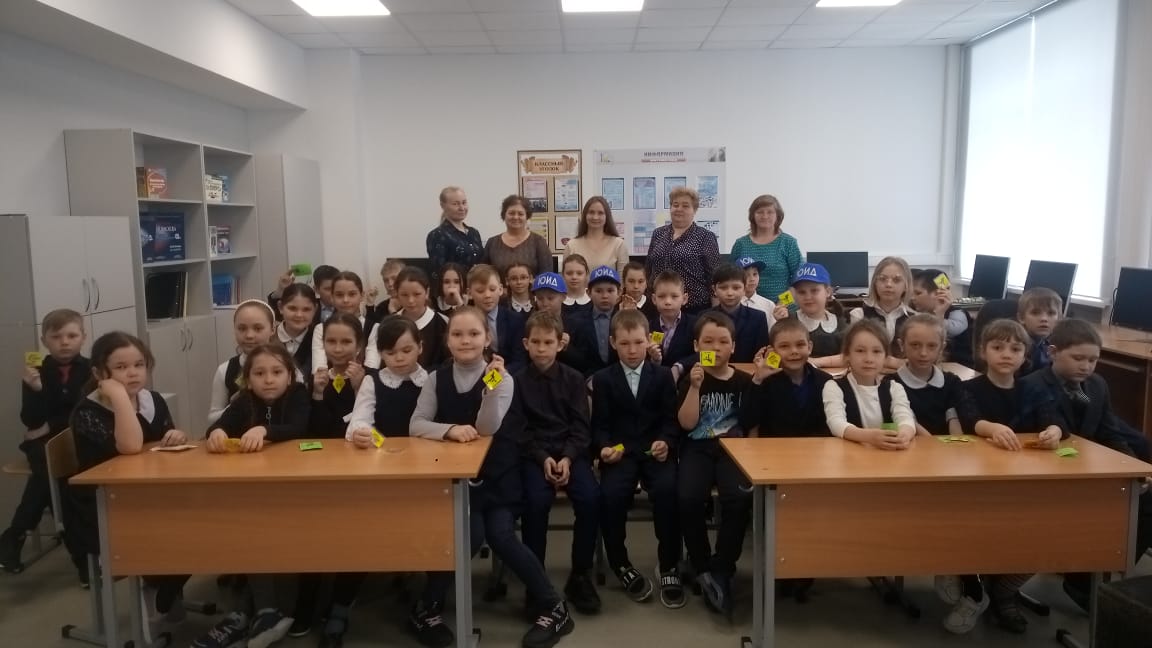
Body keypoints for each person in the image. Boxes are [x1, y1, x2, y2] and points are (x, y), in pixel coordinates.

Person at [410, 307, 575, 648]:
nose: (466, 340)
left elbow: (487, 427)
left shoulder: (502, 378)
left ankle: (553, 606)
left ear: (487, 338)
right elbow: (417, 424)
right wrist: (449, 429)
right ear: (447, 340)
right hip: (457, 481)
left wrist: (490, 389)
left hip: (498, 476)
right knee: (468, 537)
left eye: (474, 334)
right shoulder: (436, 378)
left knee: (501, 535)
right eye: (458, 334)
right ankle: (427, 606)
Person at [1018, 318, 1152, 612]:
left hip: (1091, 467)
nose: (1086, 366)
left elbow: (1109, 431)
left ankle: (1100, 576)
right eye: (1078, 358)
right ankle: (1082, 579)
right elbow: (1050, 430)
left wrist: (1132, 467)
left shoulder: (1097, 385)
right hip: (1052, 472)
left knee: (1145, 499)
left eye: (1093, 360)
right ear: (1053, 352)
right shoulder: (1032, 384)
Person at [317, 318, 428, 646]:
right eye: (390, 352)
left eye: (407, 350)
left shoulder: (431, 379)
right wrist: (369, 437)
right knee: (361, 535)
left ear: (420, 348)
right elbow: (359, 422)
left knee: (432, 533)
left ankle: (428, 603)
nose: (399, 358)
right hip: (381, 471)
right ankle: (340, 606)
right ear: (379, 353)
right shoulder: (372, 381)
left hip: (424, 474)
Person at [63, 333, 189, 616]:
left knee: (204, 518)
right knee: (181, 528)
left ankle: (165, 585)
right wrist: (119, 396)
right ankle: (161, 584)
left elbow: (161, 442)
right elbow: (130, 447)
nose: (133, 373)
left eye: (139, 365)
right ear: (99, 374)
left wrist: (176, 436)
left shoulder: (152, 400)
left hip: (148, 493)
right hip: (105, 506)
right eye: (120, 367)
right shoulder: (88, 411)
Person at [197, 343, 310, 648]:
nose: (268, 380)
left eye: (276, 372)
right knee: (253, 537)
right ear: (248, 380)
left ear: (290, 376)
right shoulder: (244, 400)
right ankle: (258, 611)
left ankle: (265, 611)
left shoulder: (298, 395)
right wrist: (217, 433)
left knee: (282, 543)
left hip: (294, 491)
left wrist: (263, 430)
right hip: (253, 492)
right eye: (259, 374)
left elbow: (298, 427)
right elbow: (218, 426)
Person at [957, 319, 1063, 634]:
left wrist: (1054, 431)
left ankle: (1005, 590)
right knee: (985, 532)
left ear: (1025, 355)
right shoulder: (969, 388)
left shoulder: (1034, 388)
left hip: (1028, 478)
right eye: (998, 347)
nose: (1006, 354)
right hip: (983, 479)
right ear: (983, 351)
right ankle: (981, 583)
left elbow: (1054, 420)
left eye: (1015, 349)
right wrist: (991, 428)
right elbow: (969, 420)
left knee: (1043, 534)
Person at [591, 310, 684, 609]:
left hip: (654, 451)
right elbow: (600, 425)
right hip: (621, 453)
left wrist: (666, 441)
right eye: (624, 343)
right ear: (612, 343)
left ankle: (668, 563)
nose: (632, 350)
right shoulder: (603, 379)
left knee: (669, 492)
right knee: (610, 496)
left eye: (638, 343)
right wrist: (604, 448)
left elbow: (671, 420)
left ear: (648, 341)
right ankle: (620, 563)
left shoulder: (663, 375)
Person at [516, 312, 602, 615]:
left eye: (548, 342)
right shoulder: (516, 381)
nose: (541, 348)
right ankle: (535, 580)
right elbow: (520, 430)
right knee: (535, 502)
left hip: (570, 453)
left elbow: (581, 427)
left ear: (560, 344)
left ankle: (580, 574)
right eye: (536, 342)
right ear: (526, 344)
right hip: (534, 455)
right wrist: (543, 458)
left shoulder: (574, 379)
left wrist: (566, 458)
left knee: (591, 499)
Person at [1, 309, 90, 575]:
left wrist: (50, 425)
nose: (64, 342)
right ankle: (82, 559)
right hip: (42, 444)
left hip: (77, 439)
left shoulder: (91, 369)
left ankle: (15, 534)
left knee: (53, 473)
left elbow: (84, 412)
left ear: (83, 337)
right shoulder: (37, 371)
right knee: (51, 469)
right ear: (44, 340)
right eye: (56, 336)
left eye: (71, 335)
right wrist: (37, 390)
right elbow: (30, 419)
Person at [676, 312, 754, 615]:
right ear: (697, 345)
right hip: (697, 447)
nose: (716, 347)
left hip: (732, 449)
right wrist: (695, 387)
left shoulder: (743, 381)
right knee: (688, 498)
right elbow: (686, 424)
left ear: (733, 346)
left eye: (723, 342)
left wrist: (759, 381)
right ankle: (700, 563)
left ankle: (723, 566)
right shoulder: (691, 378)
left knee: (738, 498)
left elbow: (750, 421)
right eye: (708, 341)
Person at [822, 320, 917, 449]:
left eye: (876, 351)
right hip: (849, 455)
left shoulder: (894, 387)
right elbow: (836, 423)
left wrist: (904, 434)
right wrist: (868, 437)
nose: (869, 359)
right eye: (860, 351)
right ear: (847, 355)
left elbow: (905, 418)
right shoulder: (834, 387)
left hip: (887, 455)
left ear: (886, 357)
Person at [886, 313, 966, 437]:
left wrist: (955, 444)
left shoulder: (952, 382)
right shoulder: (890, 384)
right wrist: (932, 445)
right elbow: (901, 422)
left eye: (931, 346)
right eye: (915, 345)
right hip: (909, 446)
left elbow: (956, 425)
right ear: (902, 345)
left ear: (942, 348)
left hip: (947, 447)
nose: (923, 353)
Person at [645, 187, 720, 314]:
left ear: (694, 210)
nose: (679, 209)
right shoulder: (658, 233)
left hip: (693, 309)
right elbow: (648, 269)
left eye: (685, 206)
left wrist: (715, 312)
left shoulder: (705, 237)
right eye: (675, 205)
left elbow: (714, 278)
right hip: (658, 307)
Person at [208, 300, 278, 424]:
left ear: (272, 329)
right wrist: (235, 406)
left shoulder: (286, 366)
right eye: (242, 328)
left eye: (258, 328)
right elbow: (212, 419)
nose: (249, 335)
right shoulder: (225, 370)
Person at [729, 194, 802, 300]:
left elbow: (799, 281)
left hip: (783, 307)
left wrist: (782, 304)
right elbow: (731, 278)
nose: (765, 216)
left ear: (778, 216)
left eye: (770, 212)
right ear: (753, 216)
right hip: (747, 306)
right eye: (760, 212)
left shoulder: (788, 243)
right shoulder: (740, 244)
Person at [307, 313, 366, 438]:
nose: (338, 349)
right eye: (331, 341)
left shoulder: (370, 378)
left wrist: (359, 390)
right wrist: (318, 394)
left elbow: (373, 427)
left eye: (346, 342)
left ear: (359, 345)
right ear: (323, 343)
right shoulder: (317, 380)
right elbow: (315, 431)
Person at [309, 271, 381, 372]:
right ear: (332, 297)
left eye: (352, 294)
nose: (346, 300)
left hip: (365, 380)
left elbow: (372, 367)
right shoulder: (321, 329)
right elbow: (319, 368)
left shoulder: (374, 328)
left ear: (361, 295)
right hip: (329, 380)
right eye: (339, 295)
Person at [848, 256, 916, 361]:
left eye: (896, 280)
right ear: (875, 283)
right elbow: (855, 354)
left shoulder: (914, 319)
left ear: (906, 286)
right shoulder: (859, 315)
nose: (888, 284)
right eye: (882, 279)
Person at [468, 264, 527, 375]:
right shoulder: (463, 322)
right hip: (471, 376)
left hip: (504, 375)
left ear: (500, 289)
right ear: (469, 293)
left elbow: (520, 361)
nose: (487, 295)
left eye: (492, 289)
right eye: (480, 291)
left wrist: (492, 380)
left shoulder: (515, 320)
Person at [784, 263, 846, 369]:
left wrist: (816, 362)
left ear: (828, 292)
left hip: (835, 376)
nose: (808, 297)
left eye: (814, 291)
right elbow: (775, 355)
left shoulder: (839, 321)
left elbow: (850, 356)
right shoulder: (789, 321)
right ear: (795, 295)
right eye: (802, 292)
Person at [706, 264, 769, 363]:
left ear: (744, 289)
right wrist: (708, 369)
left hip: (749, 370)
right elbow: (702, 349)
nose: (730, 293)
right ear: (714, 290)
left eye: (736, 288)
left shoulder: (758, 318)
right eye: (723, 288)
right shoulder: (705, 317)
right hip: (713, 369)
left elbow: (762, 351)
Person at [566, 266, 621, 376]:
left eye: (610, 290)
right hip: (586, 377)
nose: (605, 296)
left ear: (619, 292)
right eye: (598, 291)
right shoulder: (575, 321)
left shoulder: (624, 319)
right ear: (589, 293)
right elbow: (574, 359)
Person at [910, 269, 972, 366]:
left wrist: (939, 314)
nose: (912, 298)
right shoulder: (915, 312)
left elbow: (950, 331)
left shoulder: (957, 313)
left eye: (918, 293)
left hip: (957, 366)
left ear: (937, 294)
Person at [391, 266, 448, 370]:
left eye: (417, 294)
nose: (411, 300)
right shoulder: (389, 324)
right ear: (397, 294)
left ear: (427, 293)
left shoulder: (442, 323)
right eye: (404, 295)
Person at [484, 195, 552, 277]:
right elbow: (484, 274)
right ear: (504, 215)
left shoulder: (538, 242)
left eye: (520, 214)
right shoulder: (492, 243)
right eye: (511, 213)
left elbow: (547, 275)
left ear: (527, 217)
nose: (516, 217)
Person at [646, 270, 696, 382]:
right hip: (657, 384)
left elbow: (709, 356)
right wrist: (655, 360)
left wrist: (680, 367)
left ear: (684, 299)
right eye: (661, 296)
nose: (668, 301)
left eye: (674, 296)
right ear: (654, 299)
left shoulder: (696, 324)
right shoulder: (648, 327)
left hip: (689, 384)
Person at [426, 186, 484, 282]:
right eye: (455, 204)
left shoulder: (474, 233)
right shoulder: (437, 235)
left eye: (464, 203)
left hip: (477, 286)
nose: (461, 208)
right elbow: (438, 272)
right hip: (454, 287)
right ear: (443, 206)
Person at [563, 197, 629, 273]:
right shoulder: (571, 246)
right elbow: (566, 277)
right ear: (585, 215)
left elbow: (623, 278)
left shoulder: (619, 245)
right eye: (591, 212)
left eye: (600, 213)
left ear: (607, 216)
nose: (595, 217)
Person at [270, 265, 338, 325]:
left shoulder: (343, 308)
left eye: (336, 288)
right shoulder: (309, 306)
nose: (334, 292)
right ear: (316, 289)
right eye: (328, 289)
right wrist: (281, 290)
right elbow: (277, 315)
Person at [1017, 287, 1063, 375]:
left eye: (1051, 313)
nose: (1044, 319)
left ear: (1059, 319)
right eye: (1035, 313)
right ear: (1021, 318)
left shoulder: (1051, 345)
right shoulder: (1016, 347)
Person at [275, 283, 318, 376]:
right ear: (280, 307)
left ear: (315, 309)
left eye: (306, 309)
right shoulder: (267, 337)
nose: (299, 315)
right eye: (292, 308)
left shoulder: (319, 339)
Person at [734, 256, 776, 328]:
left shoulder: (769, 305)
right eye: (746, 275)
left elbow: (772, 331)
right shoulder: (732, 304)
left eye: (755, 274)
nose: (752, 279)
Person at [366, 258, 406, 323]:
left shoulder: (413, 304)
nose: (390, 284)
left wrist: (393, 312)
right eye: (386, 280)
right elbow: (369, 329)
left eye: (394, 278)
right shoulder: (382, 307)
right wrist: (370, 305)